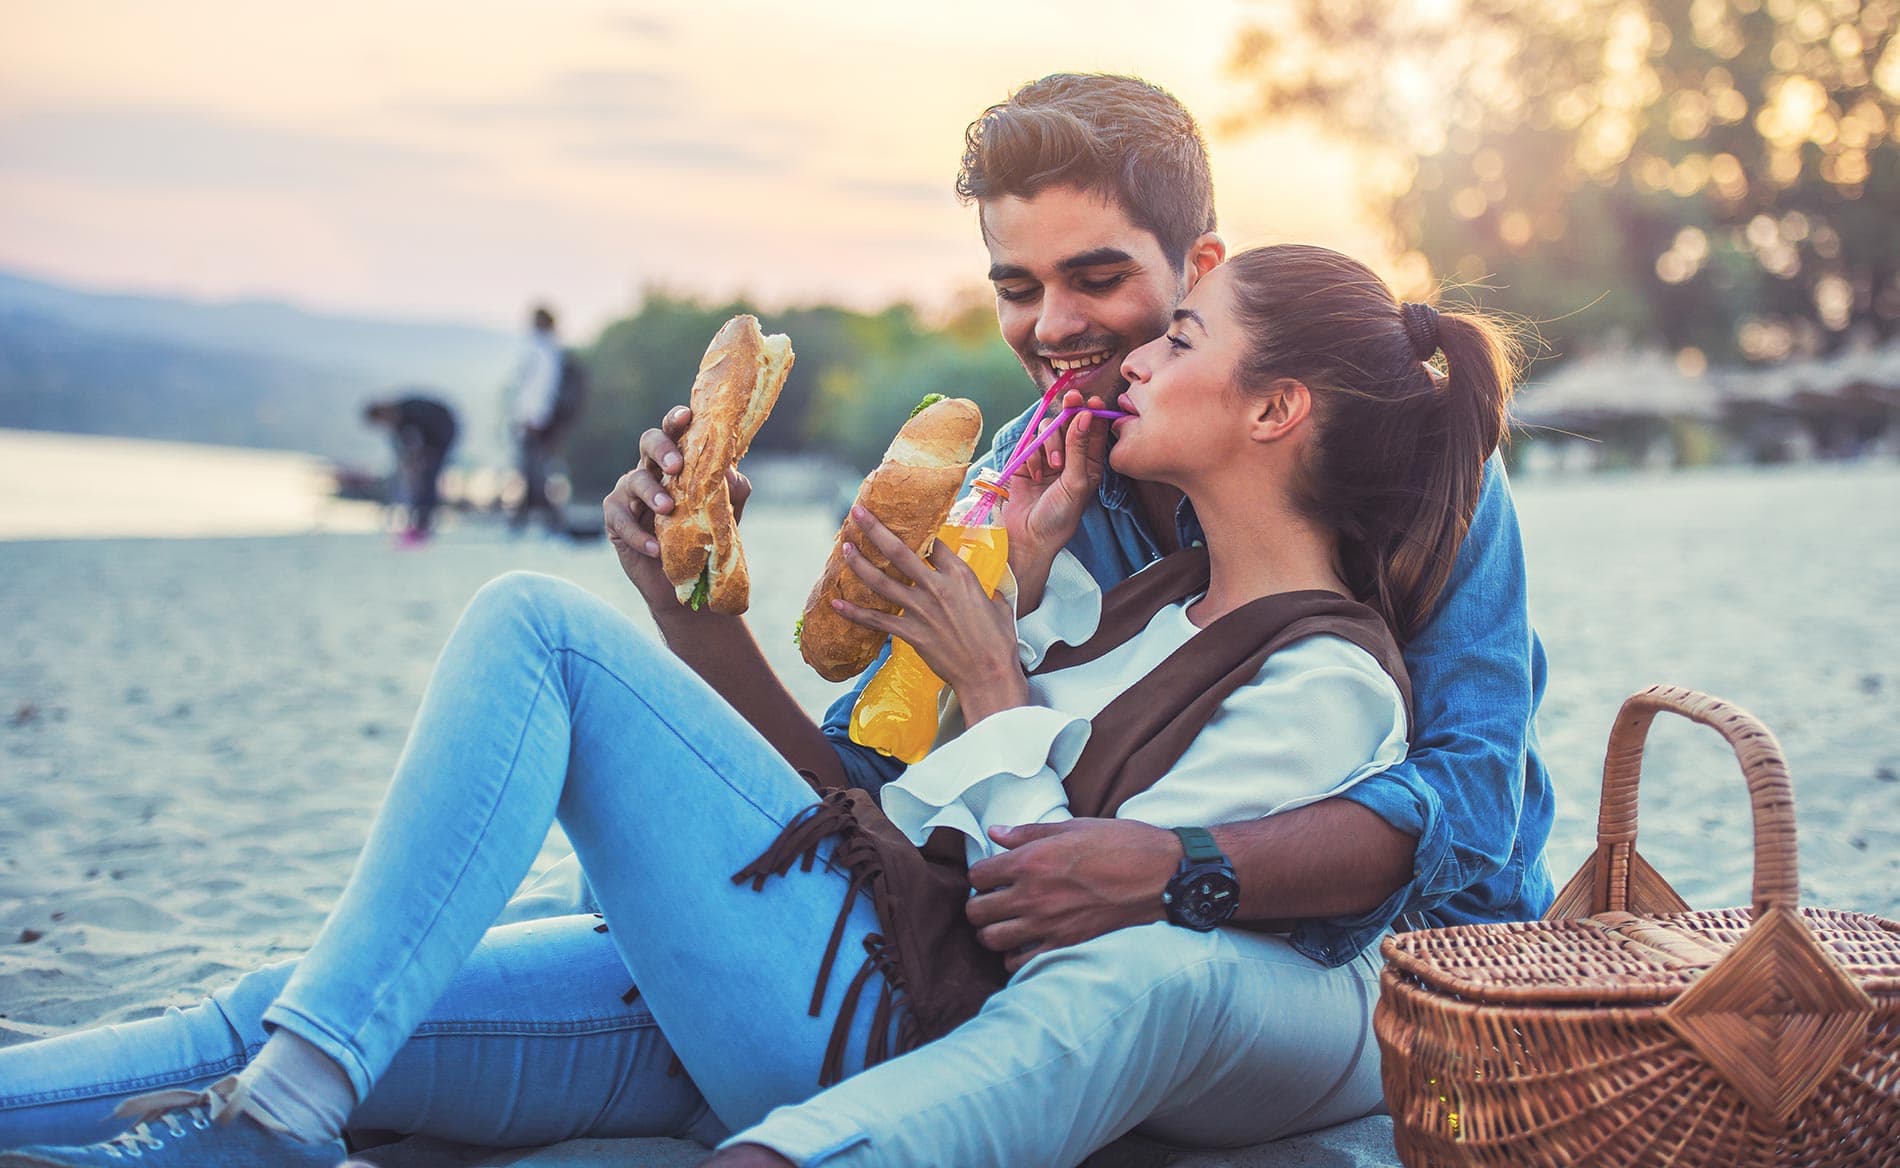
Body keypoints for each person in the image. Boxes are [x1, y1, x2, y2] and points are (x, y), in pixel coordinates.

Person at [0, 75, 1553, 1168]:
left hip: (1233, 991)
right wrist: (698, 608)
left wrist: (1153, 841)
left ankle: (291, 1110)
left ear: (1201, 280)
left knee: (526, 633)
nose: (1058, 331)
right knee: (305, 999)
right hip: (841, 941)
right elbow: (853, 797)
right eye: (1016, 286)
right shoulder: (1048, 510)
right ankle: (267, 1092)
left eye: (1104, 283)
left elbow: (1447, 825)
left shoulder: (1402, 508)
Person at [363, 394, 459, 545]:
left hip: (443, 432)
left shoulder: (412, 410)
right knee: (418, 479)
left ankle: (423, 525)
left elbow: (436, 429)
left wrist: (427, 453)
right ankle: (416, 522)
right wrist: (410, 461)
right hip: (431, 439)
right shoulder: (398, 422)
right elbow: (401, 449)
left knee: (429, 476)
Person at [506, 304, 566, 534]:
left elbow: (537, 388)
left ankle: (545, 521)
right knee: (534, 470)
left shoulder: (540, 350)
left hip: (534, 419)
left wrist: (531, 417)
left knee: (534, 470)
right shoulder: (550, 350)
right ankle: (531, 520)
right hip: (539, 419)